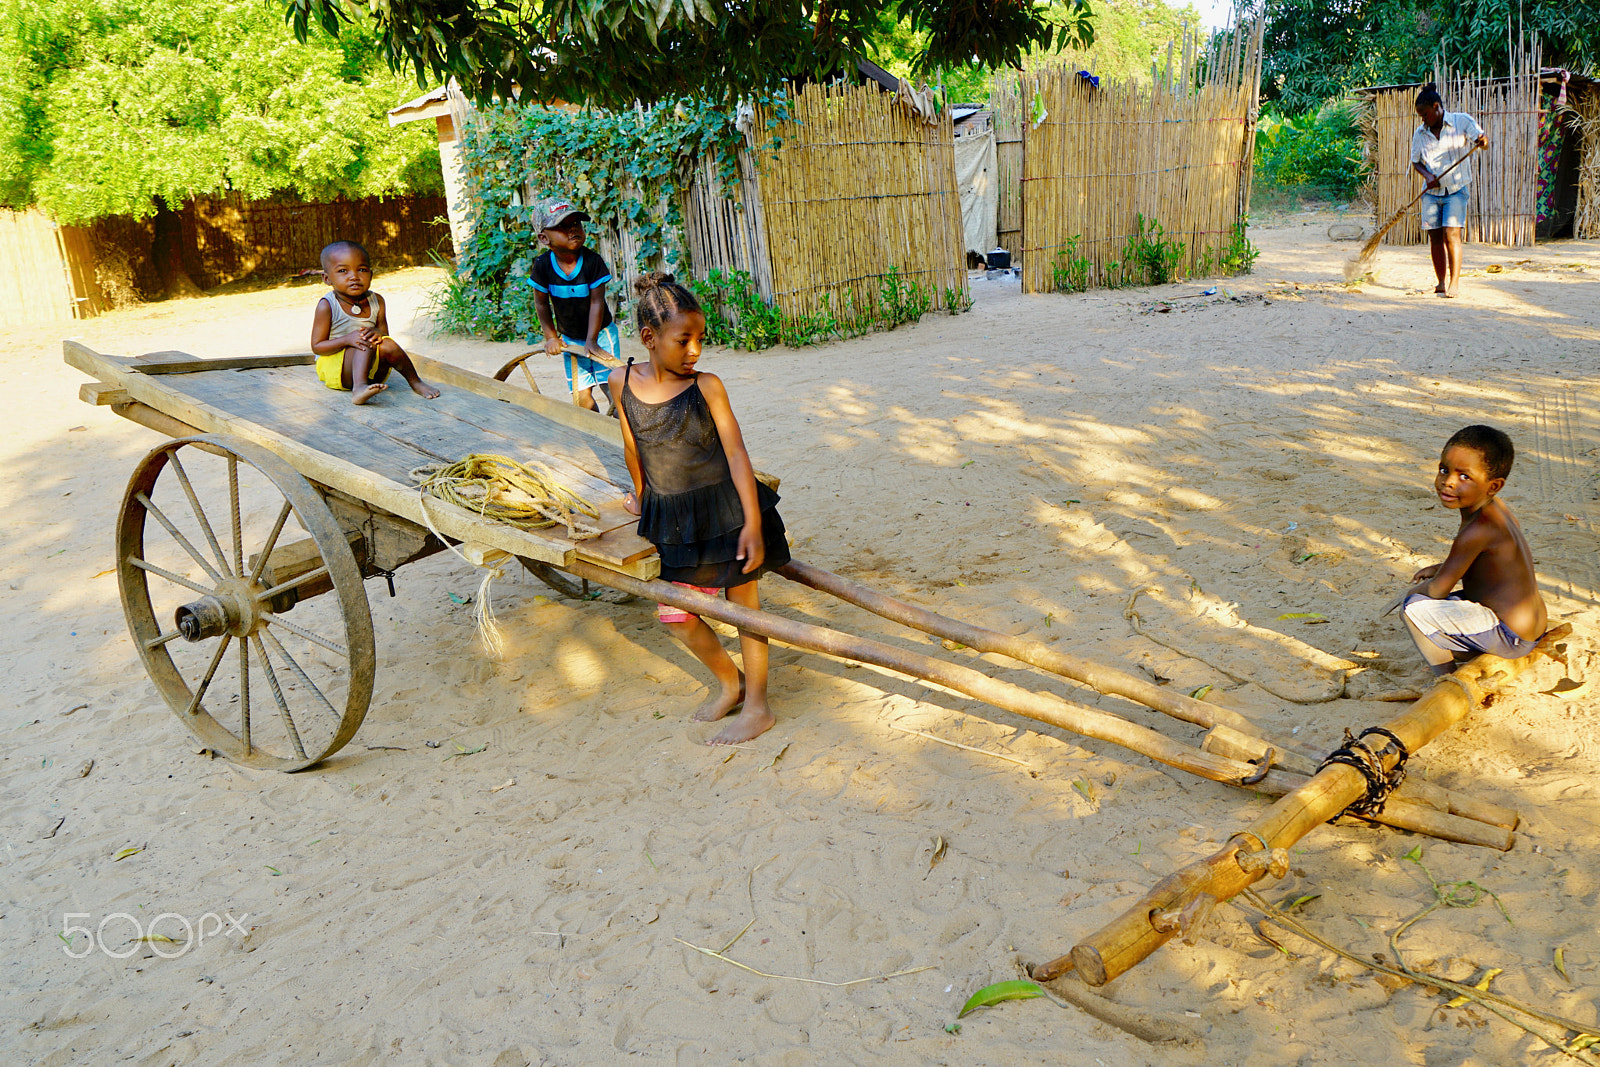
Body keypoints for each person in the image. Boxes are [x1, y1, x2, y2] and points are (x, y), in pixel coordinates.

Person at [609, 273, 791, 745]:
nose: (695, 351)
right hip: (673, 516)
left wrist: (752, 522)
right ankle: (731, 683)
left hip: (726, 510)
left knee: (744, 608)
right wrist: (641, 495)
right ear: (649, 339)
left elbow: (736, 455)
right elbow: (634, 447)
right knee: (675, 613)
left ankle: (759, 706)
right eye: (683, 340)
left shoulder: (707, 386)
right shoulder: (621, 381)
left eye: (700, 340)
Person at [1398, 425, 1546, 675]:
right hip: (1531, 624)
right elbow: (1480, 561)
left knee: (1413, 608)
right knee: (1442, 603)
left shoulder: (1477, 529)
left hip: (1511, 636)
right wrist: (1438, 568)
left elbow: (1437, 589)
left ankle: (1444, 678)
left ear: (1493, 485)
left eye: (1464, 476)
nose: (1448, 482)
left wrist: (1416, 591)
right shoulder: (1497, 510)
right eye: (1444, 470)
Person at [310, 241, 439, 405]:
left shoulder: (376, 300)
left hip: (371, 369)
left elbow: (384, 334)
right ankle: (359, 389)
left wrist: (378, 334)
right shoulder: (327, 305)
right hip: (336, 369)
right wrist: (346, 339)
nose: (354, 276)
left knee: (388, 344)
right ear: (327, 279)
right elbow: (317, 346)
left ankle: (415, 381)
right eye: (343, 271)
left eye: (362, 270)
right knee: (364, 342)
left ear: (371, 275)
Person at [529, 200, 622, 412]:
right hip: (570, 337)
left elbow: (597, 302)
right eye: (563, 226)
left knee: (611, 387)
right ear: (544, 238)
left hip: (600, 335)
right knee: (581, 395)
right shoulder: (543, 266)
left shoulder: (592, 262)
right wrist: (551, 337)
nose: (573, 229)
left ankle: (619, 433)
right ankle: (594, 433)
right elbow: (541, 304)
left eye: (576, 224)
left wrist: (592, 340)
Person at [1411, 83, 1489, 298]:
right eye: (1420, 116)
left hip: (1456, 189)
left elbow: (1482, 141)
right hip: (1431, 194)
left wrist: (1482, 142)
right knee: (1435, 237)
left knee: (1451, 234)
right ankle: (1441, 282)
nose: (1423, 119)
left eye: (1425, 114)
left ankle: (1455, 282)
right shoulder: (1420, 133)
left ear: (1436, 107)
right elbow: (1416, 162)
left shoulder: (1460, 121)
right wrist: (1428, 177)